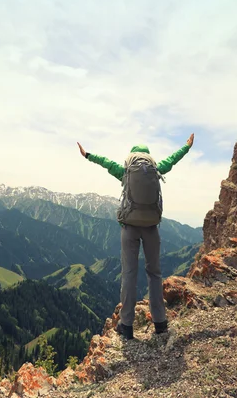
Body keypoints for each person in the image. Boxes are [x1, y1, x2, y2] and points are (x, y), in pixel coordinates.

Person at [77, 134, 194, 340]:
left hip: (130, 228)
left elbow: (105, 162)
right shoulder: (156, 169)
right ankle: (160, 323)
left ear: (132, 157)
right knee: (154, 274)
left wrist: (87, 155)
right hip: (151, 227)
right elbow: (173, 159)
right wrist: (186, 147)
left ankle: (127, 325)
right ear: (148, 158)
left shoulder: (125, 171)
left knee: (129, 274)